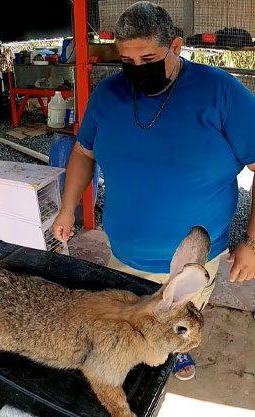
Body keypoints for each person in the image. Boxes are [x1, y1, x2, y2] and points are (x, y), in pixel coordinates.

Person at [52, 1, 255, 381]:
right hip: (125, 254)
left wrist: (253, 242)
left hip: (192, 263)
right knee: (130, 325)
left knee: (177, 324)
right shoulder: (108, 94)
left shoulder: (220, 92)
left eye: (148, 57)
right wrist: (66, 209)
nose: (137, 71)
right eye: (127, 62)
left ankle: (176, 352)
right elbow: (83, 151)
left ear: (175, 47)